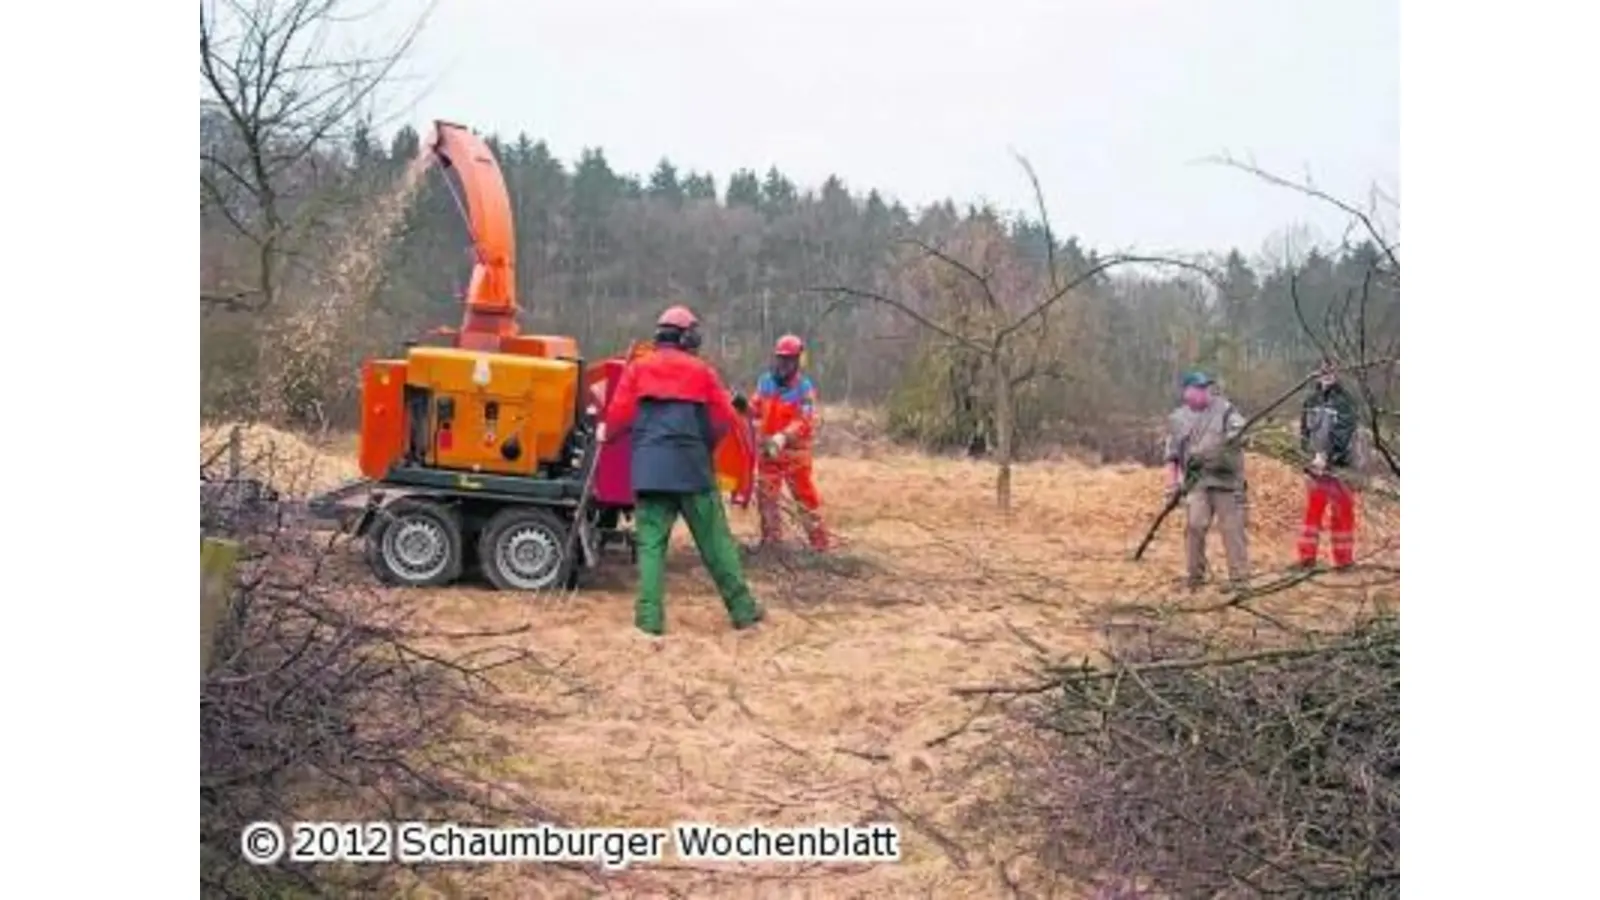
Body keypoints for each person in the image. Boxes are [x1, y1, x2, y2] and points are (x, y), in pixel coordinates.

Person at [598, 304, 764, 636]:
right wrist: (708, 442)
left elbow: (617, 416)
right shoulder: (702, 372)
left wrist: (608, 434)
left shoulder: (638, 369)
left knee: (651, 548)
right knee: (716, 544)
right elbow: (729, 418)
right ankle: (743, 611)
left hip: (650, 473)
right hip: (692, 472)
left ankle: (648, 622)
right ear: (687, 337)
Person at [734, 334, 830, 552]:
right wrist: (741, 406)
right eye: (780, 359)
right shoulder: (765, 382)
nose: (783, 364)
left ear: (798, 361)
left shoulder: (804, 388)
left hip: (794, 455)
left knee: (805, 499)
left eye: (788, 360)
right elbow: (755, 409)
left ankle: (820, 544)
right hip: (769, 452)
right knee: (767, 499)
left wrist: (784, 436)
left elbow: (805, 420)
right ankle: (772, 545)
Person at [1163, 371, 1250, 592]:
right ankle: (1195, 578)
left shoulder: (1225, 409)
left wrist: (1236, 435)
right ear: (1187, 392)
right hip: (1197, 482)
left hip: (1227, 482)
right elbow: (1171, 456)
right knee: (1194, 526)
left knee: (1232, 530)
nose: (1205, 392)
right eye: (1199, 388)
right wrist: (1171, 484)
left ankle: (1240, 581)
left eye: (1206, 388)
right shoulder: (1177, 419)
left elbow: (1241, 428)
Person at [1296, 358, 1361, 570]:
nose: (1326, 374)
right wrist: (1309, 455)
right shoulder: (1310, 401)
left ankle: (1343, 561)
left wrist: (1328, 457)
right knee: (1312, 513)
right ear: (1316, 372)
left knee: (1342, 514)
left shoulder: (1346, 401)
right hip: (1315, 468)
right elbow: (1304, 432)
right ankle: (1306, 558)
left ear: (1337, 373)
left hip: (1340, 468)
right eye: (1322, 370)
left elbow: (1344, 433)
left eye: (1331, 370)